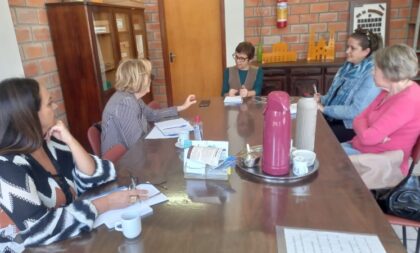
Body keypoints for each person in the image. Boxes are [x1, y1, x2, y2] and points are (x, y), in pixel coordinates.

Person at [0, 78, 147, 251]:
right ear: (29, 115)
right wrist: (106, 203)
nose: (56, 107)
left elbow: (100, 176)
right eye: (50, 103)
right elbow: (40, 230)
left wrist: (70, 140)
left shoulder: (49, 142)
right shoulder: (6, 166)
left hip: (76, 240)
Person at [342, 44, 420, 177]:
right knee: (318, 153)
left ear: (389, 72)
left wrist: (366, 131)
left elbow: (368, 138)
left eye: (375, 68)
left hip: (380, 163)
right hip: (362, 149)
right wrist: (366, 130)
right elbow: (358, 119)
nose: (372, 72)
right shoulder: (388, 90)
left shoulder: (409, 100)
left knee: (321, 161)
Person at [101, 58, 196, 155]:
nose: (151, 78)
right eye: (147, 75)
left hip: (135, 154)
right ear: (137, 80)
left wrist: (182, 107)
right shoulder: (125, 104)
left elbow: (152, 114)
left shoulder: (132, 96)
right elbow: (136, 145)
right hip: (121, 162)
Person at [314, 28, 382, 142]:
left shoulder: (371, 75)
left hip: (351, 126)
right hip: (334, 118)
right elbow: (333, 97)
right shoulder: (346, 68)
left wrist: (324, 109)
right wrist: (321, 99)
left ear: (366, 51)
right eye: (348, 47)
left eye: (353, 48)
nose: (347, 51)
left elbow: (355, 111)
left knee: (316, 137)